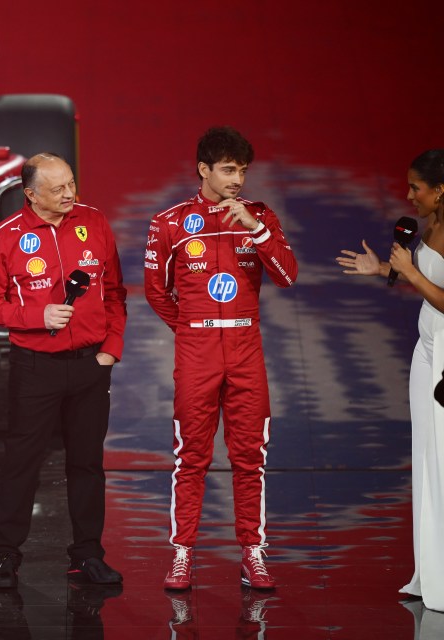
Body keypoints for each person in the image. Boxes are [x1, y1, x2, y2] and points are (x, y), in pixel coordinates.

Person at [144, 126, 298, 591]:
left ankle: (252, 553)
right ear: (203, 169)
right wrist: (192, 329)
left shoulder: (259, 216)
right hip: (197, 352)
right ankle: (183, 554)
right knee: (191, 457)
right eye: (228, 170)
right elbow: (156, 292)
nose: (237, 179)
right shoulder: (169, 222)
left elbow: (288, 277)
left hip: (247, 347)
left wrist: (257, 230)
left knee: (250, 458)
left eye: (243, 170)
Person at [0, 152, 127, 588]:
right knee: (21, 464)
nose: (70, 194)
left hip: (90, 366)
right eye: (58, 188)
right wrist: (36, 317)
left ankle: (88, 555)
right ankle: (6, 558)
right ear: (30, 194)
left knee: (87, 465)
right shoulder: (5, 236)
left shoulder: (94, 222)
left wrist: (111, 351)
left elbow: (115, 292)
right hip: (35, 367)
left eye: (72, 184)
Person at [335, 149, 444, 612]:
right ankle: (430, 573)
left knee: (442, 462)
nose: (408, 195)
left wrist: (411, 271)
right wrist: (382, 269)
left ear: (440, 190)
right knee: (424, 458)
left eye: (416, 187)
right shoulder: (428, 225)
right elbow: (421, 280)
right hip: (425, 354)